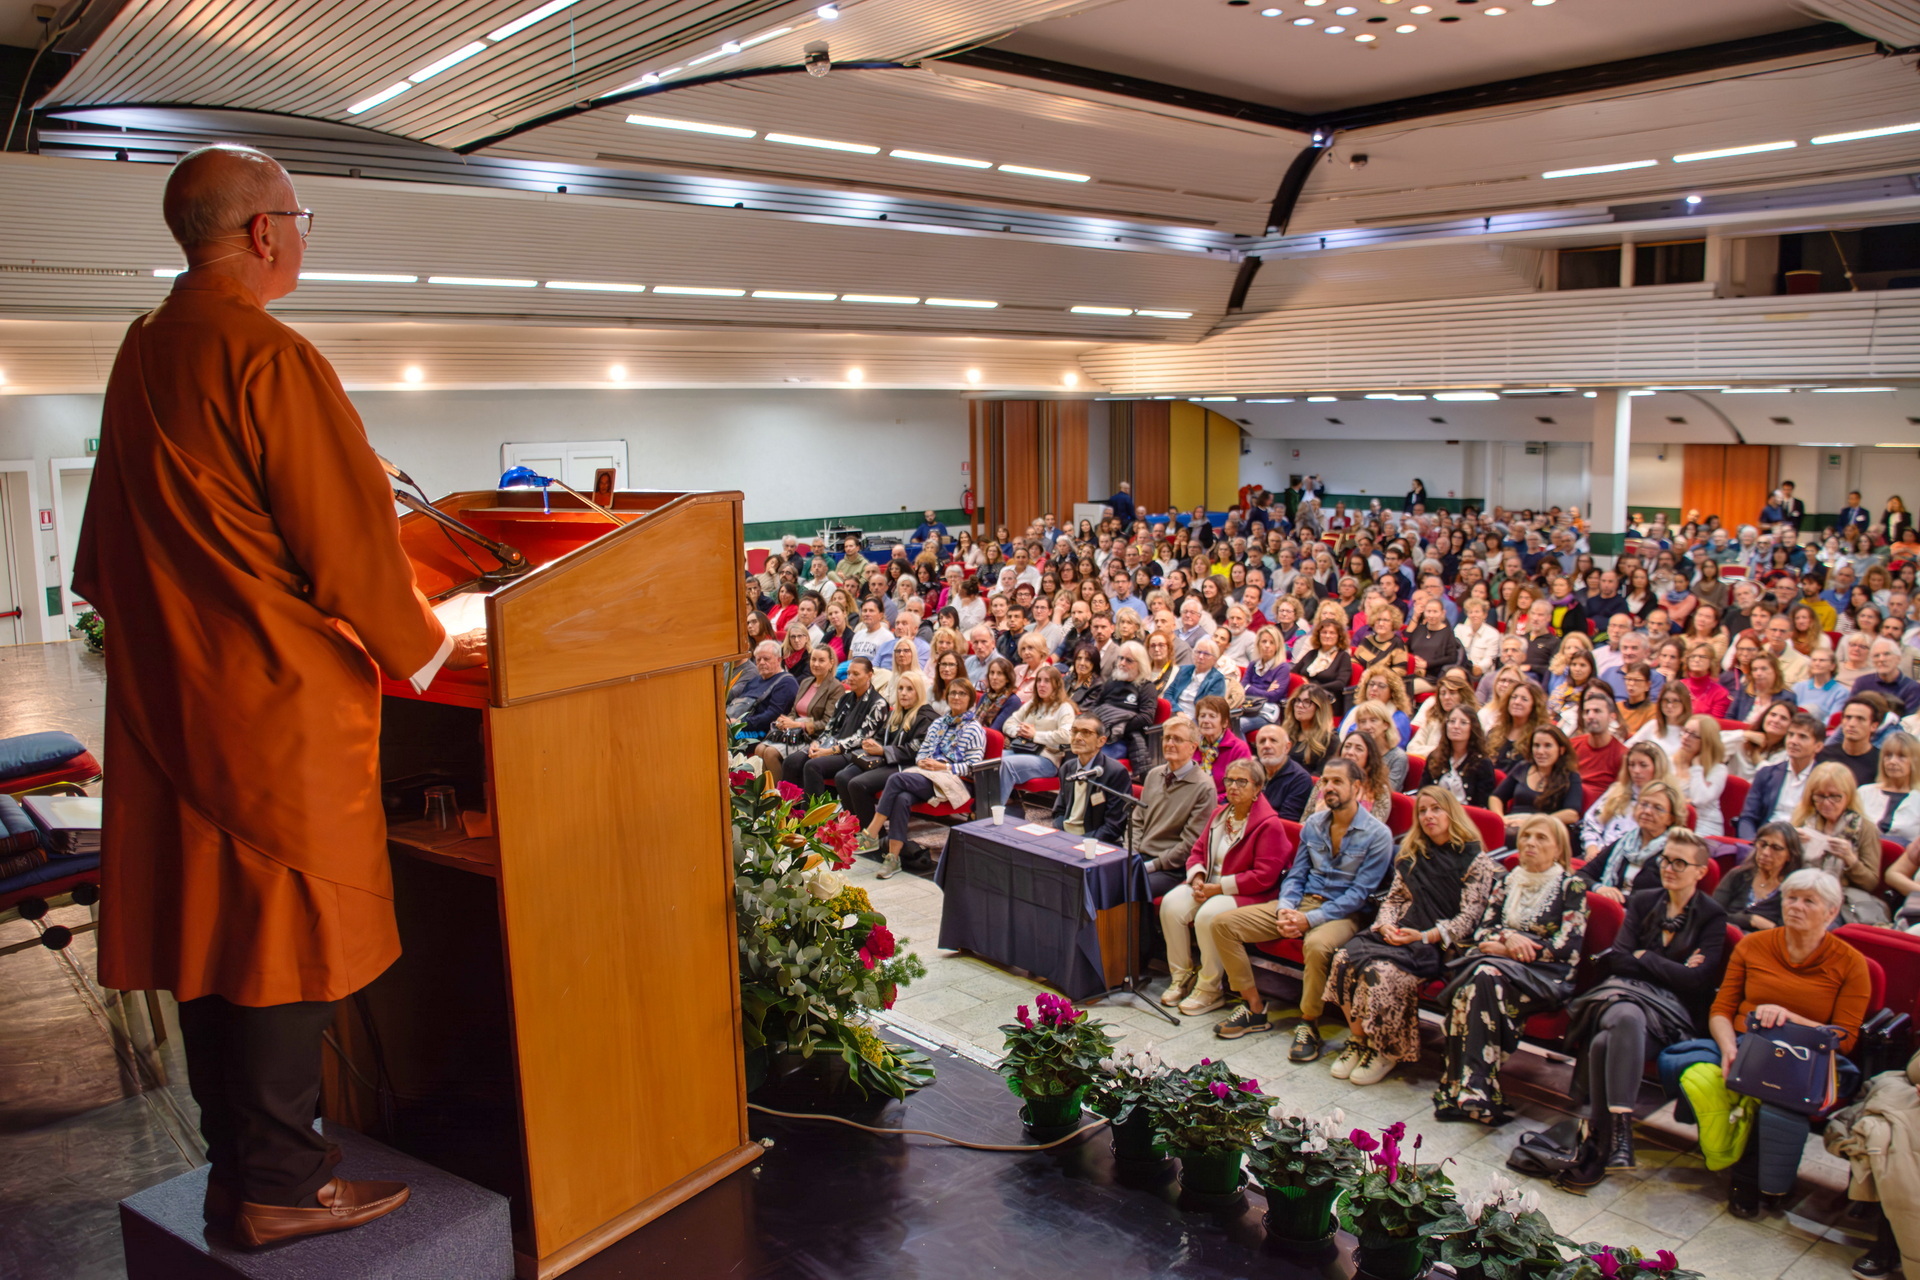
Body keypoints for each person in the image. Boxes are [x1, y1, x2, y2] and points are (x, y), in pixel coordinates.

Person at [70, 146, 493, 1245]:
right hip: (272, 705)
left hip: (173, 700)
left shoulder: (141, 349)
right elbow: (348, 552)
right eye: (301, 220)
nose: (300, 237)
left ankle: (244, 1170)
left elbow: (105, 555)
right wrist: (434, 642)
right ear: (265, 232)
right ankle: (283, 1185)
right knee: (280, 933)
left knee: (210, 933)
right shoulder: (269, 354)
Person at [1562, 827, 1728, 1179]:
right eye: (1665, 860)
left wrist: (1646, 956)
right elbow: (1620, 960)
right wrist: (1673, 967)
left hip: (1669, 1012)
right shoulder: (1643, 899)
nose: (1668, 868)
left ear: (1700, 871)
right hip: (1621, 994)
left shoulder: (1712, 916)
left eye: (1680, 863)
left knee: (1606, 1040)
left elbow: (1697, 981)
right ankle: (1621, 1132)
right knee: (1626, 1015)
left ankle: (1601, 1137)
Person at [1709, 870, 1872, 1218]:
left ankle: (1749, 1180)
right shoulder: (1752, 945)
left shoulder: (1851, 963)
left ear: (1831, 912)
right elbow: (1721, 1010)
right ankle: (1771, 1186)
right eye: (1791, 898)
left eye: (1808, 901)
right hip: (1748, 1043)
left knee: (1776, 1087)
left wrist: (1790, 1018)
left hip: (1811, 1056)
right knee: (1763, 1076)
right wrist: (1728, 1048)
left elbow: (1844, 1039)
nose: (1796, 906)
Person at [1207, 758, 1395, 1056]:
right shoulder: (1315, 825)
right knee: (1223, 924)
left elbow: (1359, 894)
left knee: (1317, 946)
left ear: (1357, 787)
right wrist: (1285, 908)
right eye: (1325, 781)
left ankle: (1309, 1022)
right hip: (1302, 902)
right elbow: (1296, 874)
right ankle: (1253, 1007)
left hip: (1343, 913)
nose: (1328, 787)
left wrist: (1309, 920)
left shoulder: (1377, 835)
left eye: (1337, 781)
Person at [1322, 789, 1499, 1084]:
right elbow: (1394, 899)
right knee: (1343, 959)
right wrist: (1386, 926)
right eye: (1422, 811)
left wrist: (1424, 936)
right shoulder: (1413, 852)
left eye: (1436, 809)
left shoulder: (1475, 860)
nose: (1429, 816)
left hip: (1436, 944)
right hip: (1401, 929)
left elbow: (1469, 919)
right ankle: (1359, 1039)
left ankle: (1386, 1050)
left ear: (1451, 812)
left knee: (1380, 972)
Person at [1432, 816, 1590, 1125]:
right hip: (1498, 972)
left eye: (1541, 838)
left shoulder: (1571, 886)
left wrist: (1509, 948)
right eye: (1527, 835)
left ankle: (1462, 1087)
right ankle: (1477, 1090)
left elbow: (1567, 947)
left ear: (1559, 849)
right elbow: (1483, 931)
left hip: (1546, 976)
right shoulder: (1507, 880)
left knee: (1481, 979)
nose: (1530, 842)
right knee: (1480, 982)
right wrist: (1507, 938)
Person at [1161, 758, 1294, 1019]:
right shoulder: (1220, 814)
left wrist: (1218, 888)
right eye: (1229, 780)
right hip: (1210, 884)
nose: (1233, 786)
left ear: (1257, 788)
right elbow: (1197, 851)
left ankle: (1210, 988)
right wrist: (1198, 877)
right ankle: (1182, 976)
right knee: (1171, 904)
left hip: (1247, 893)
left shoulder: (1269, 824)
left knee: (1208, 915)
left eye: (1242, 782)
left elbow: (1264, 876)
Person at [860, 676, 986, 878]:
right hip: (928, 775)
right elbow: (921, 753)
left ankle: (872, 832)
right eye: (953, 693)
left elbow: (973, 767)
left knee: (896, 779)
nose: (956, 697)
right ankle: (893, 859)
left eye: (962, 694)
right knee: (902, 798)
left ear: (971, 699)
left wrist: (943, 766)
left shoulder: (974, 729)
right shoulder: (938, 724)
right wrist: (924, 762)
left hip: (955, 781)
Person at [1790, 763, 1890, 924]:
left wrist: (1850, 859)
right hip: (1799, 892)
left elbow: (1870, 883)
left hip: (1838, 899)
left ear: (1848, 796)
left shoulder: (1864, 828)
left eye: (1835, 797)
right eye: (1820, 796)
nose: (1826, 803)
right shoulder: (1803, 820)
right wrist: (1791, 844)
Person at [1135, 718, 1220, 901]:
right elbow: (1137, 820)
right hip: (1140, 856)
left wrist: (1153, 865)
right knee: (1100, 876)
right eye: (1167, 738)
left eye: (1178, 739)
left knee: (1132, 886)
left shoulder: (1204, 787)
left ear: (1193, 747)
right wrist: (1132, 854)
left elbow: (1190, 844)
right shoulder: (1153, 774)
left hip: (1172, 867)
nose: (1170, 744)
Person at [837, 668, 935, 829]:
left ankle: (873, 834)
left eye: (909, 689)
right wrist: (871, 744)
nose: (903, 693)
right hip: (884, 760)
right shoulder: (895, 714)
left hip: (906, 765)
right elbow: (880, 737)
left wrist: (883, 751)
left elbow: (915, 750)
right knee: (842, 777)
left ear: (919, 692)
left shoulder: (926, 717)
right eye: (900, 688)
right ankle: (855, 827)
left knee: (857, 784)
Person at [1588, 778, 1687, 901]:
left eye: (1658, 808)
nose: (1647, 811)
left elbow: (1664, 900)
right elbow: (1584, 874)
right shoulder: (1625, 842)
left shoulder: (1673, 853)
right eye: (1644, 804)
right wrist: (1599, 888)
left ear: (1671, 819)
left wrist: (1618, 901)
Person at [993, 663, 1075, 807]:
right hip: (1022, 750)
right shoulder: (1032, 704)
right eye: (1039, 680)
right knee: (990, 760)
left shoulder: (1064, 708)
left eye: (1047, 681)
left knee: (1006, 764)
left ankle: (993, 811)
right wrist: (1019, 731)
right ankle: (983, 806)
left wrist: (1035, 735)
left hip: (1047, 759)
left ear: (1056, 685)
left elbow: (1066, 736)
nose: (1041, 685)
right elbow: (1008, 724)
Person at [753, 645, 843, 773]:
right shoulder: (806, 682)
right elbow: (794, 712)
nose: (816, 664)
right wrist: (785, 721)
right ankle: (766, 786)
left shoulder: (835, 688)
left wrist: (798, 724)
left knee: (770, 753)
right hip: (793, 734)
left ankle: (782, 786)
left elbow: (827, 723)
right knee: (759, 749)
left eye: (821, 660)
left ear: (831, 663)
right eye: (813, 659)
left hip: (813, 738)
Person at [1736, 712, 1825, 837]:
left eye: (1802, 737)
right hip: (1765, 838)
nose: (1793, 741)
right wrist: (1752, 843)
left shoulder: (1824, 780)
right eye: (1790, 735)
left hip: (1801, 840)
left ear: (1818, 747)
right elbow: (1748, 818)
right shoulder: (1766, 773)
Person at [1490, 725, 1584, 842]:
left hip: (1546, 828)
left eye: (1547, 746)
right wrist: (1500, 819)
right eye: (1536, 745)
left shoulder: (1571, 776)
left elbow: (1571, 814)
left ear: (1561, 750)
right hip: (1513, 822)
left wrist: (1531, 822)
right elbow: (1496, 797)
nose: (1540, 751)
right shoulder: (1523, 767)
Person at [1049, 716, 1132, 844]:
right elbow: (1059, 811)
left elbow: (1113, 826)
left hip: (1092, 841)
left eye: (1086, 732)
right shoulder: (1067, 767)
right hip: (1065, 836)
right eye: (1074, 731)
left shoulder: (1115, 772)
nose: (1077, 737)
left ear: (1101, 741)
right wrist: (1061, 836)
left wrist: (1081, 843)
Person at [1714, 821, 1798, 931]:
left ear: (1790, 855)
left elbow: (1787, 932)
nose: (1766, 852)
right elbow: (1711, 915)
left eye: (1776, 848)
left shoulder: (1793, 890)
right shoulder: (1738, 875)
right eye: (1762, 844)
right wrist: (1750, 920)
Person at [1425, 705, 1499, 809]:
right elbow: (1423, 792)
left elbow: (1482, 805)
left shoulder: (1482, 763)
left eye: (1463, 723)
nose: (1456, 726)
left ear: (1472, 728)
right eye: (1452, 721)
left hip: (1466, 816)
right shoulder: (1435, 757)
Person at [1251, 722, 1315, 822]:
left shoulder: (1300, 779)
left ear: (1287, 747)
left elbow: (1287, 821)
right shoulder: (1251, 770)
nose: (1267, 745)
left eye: (1273, 740)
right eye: (1262, 741)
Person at [1571, 690, 1628, 800]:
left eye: (1597, 711)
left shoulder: (1622, 755)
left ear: (1612, 717)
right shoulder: (1572, 745)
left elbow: (1619, 794)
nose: (1590, 716)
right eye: (1586, 712)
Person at [1819, 696, 1883, 787]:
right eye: (1848, 717)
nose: (1852, 724)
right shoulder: (1822, 754)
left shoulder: (1881, 761)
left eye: (1860, 719)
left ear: (1874, 726)